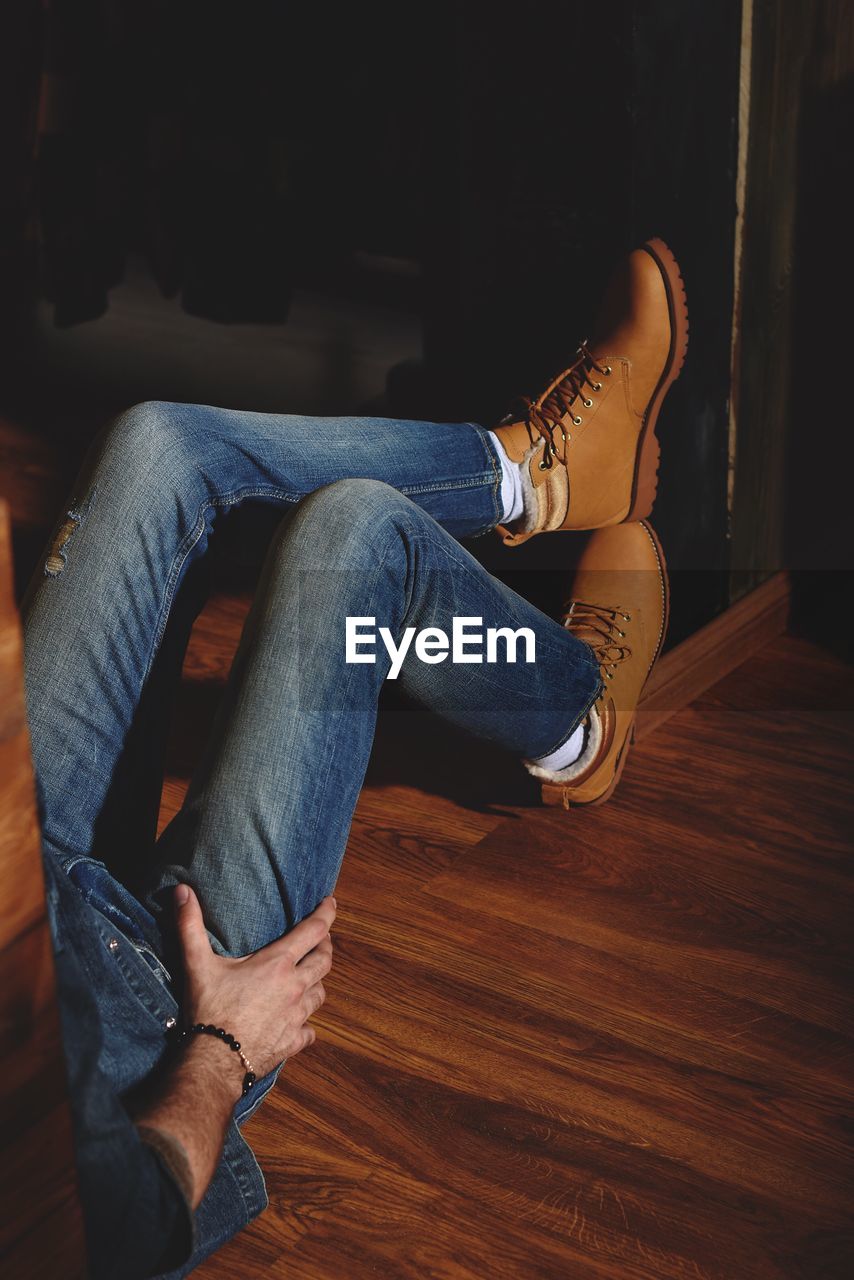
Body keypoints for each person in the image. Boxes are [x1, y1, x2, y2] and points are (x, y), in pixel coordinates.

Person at [22, 238, 687, 1278]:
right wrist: (221, 1045)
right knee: (358, 538)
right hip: (162, 1008)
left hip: (29, 899)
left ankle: (527, 473)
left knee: (159, 446)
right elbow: (132, 1223)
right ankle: (577, 725)